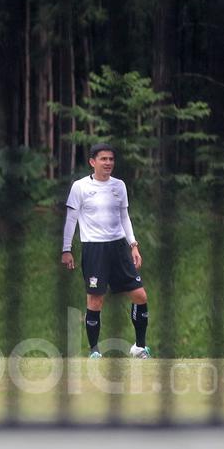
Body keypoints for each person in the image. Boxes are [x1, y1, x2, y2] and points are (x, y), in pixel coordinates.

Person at [61, 143, 150, 358]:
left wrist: (134, 245)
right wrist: (66, 249)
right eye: (103, 159)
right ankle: (94, 352)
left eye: (111, 159)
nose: (108, 163)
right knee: (95, 299)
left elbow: (124, 217)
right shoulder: (80, 187)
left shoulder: (119, 186)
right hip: (94, 248)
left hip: (119, 247)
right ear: (93, 162)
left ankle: (139, 348)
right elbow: (71, 219)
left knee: (140, 295)